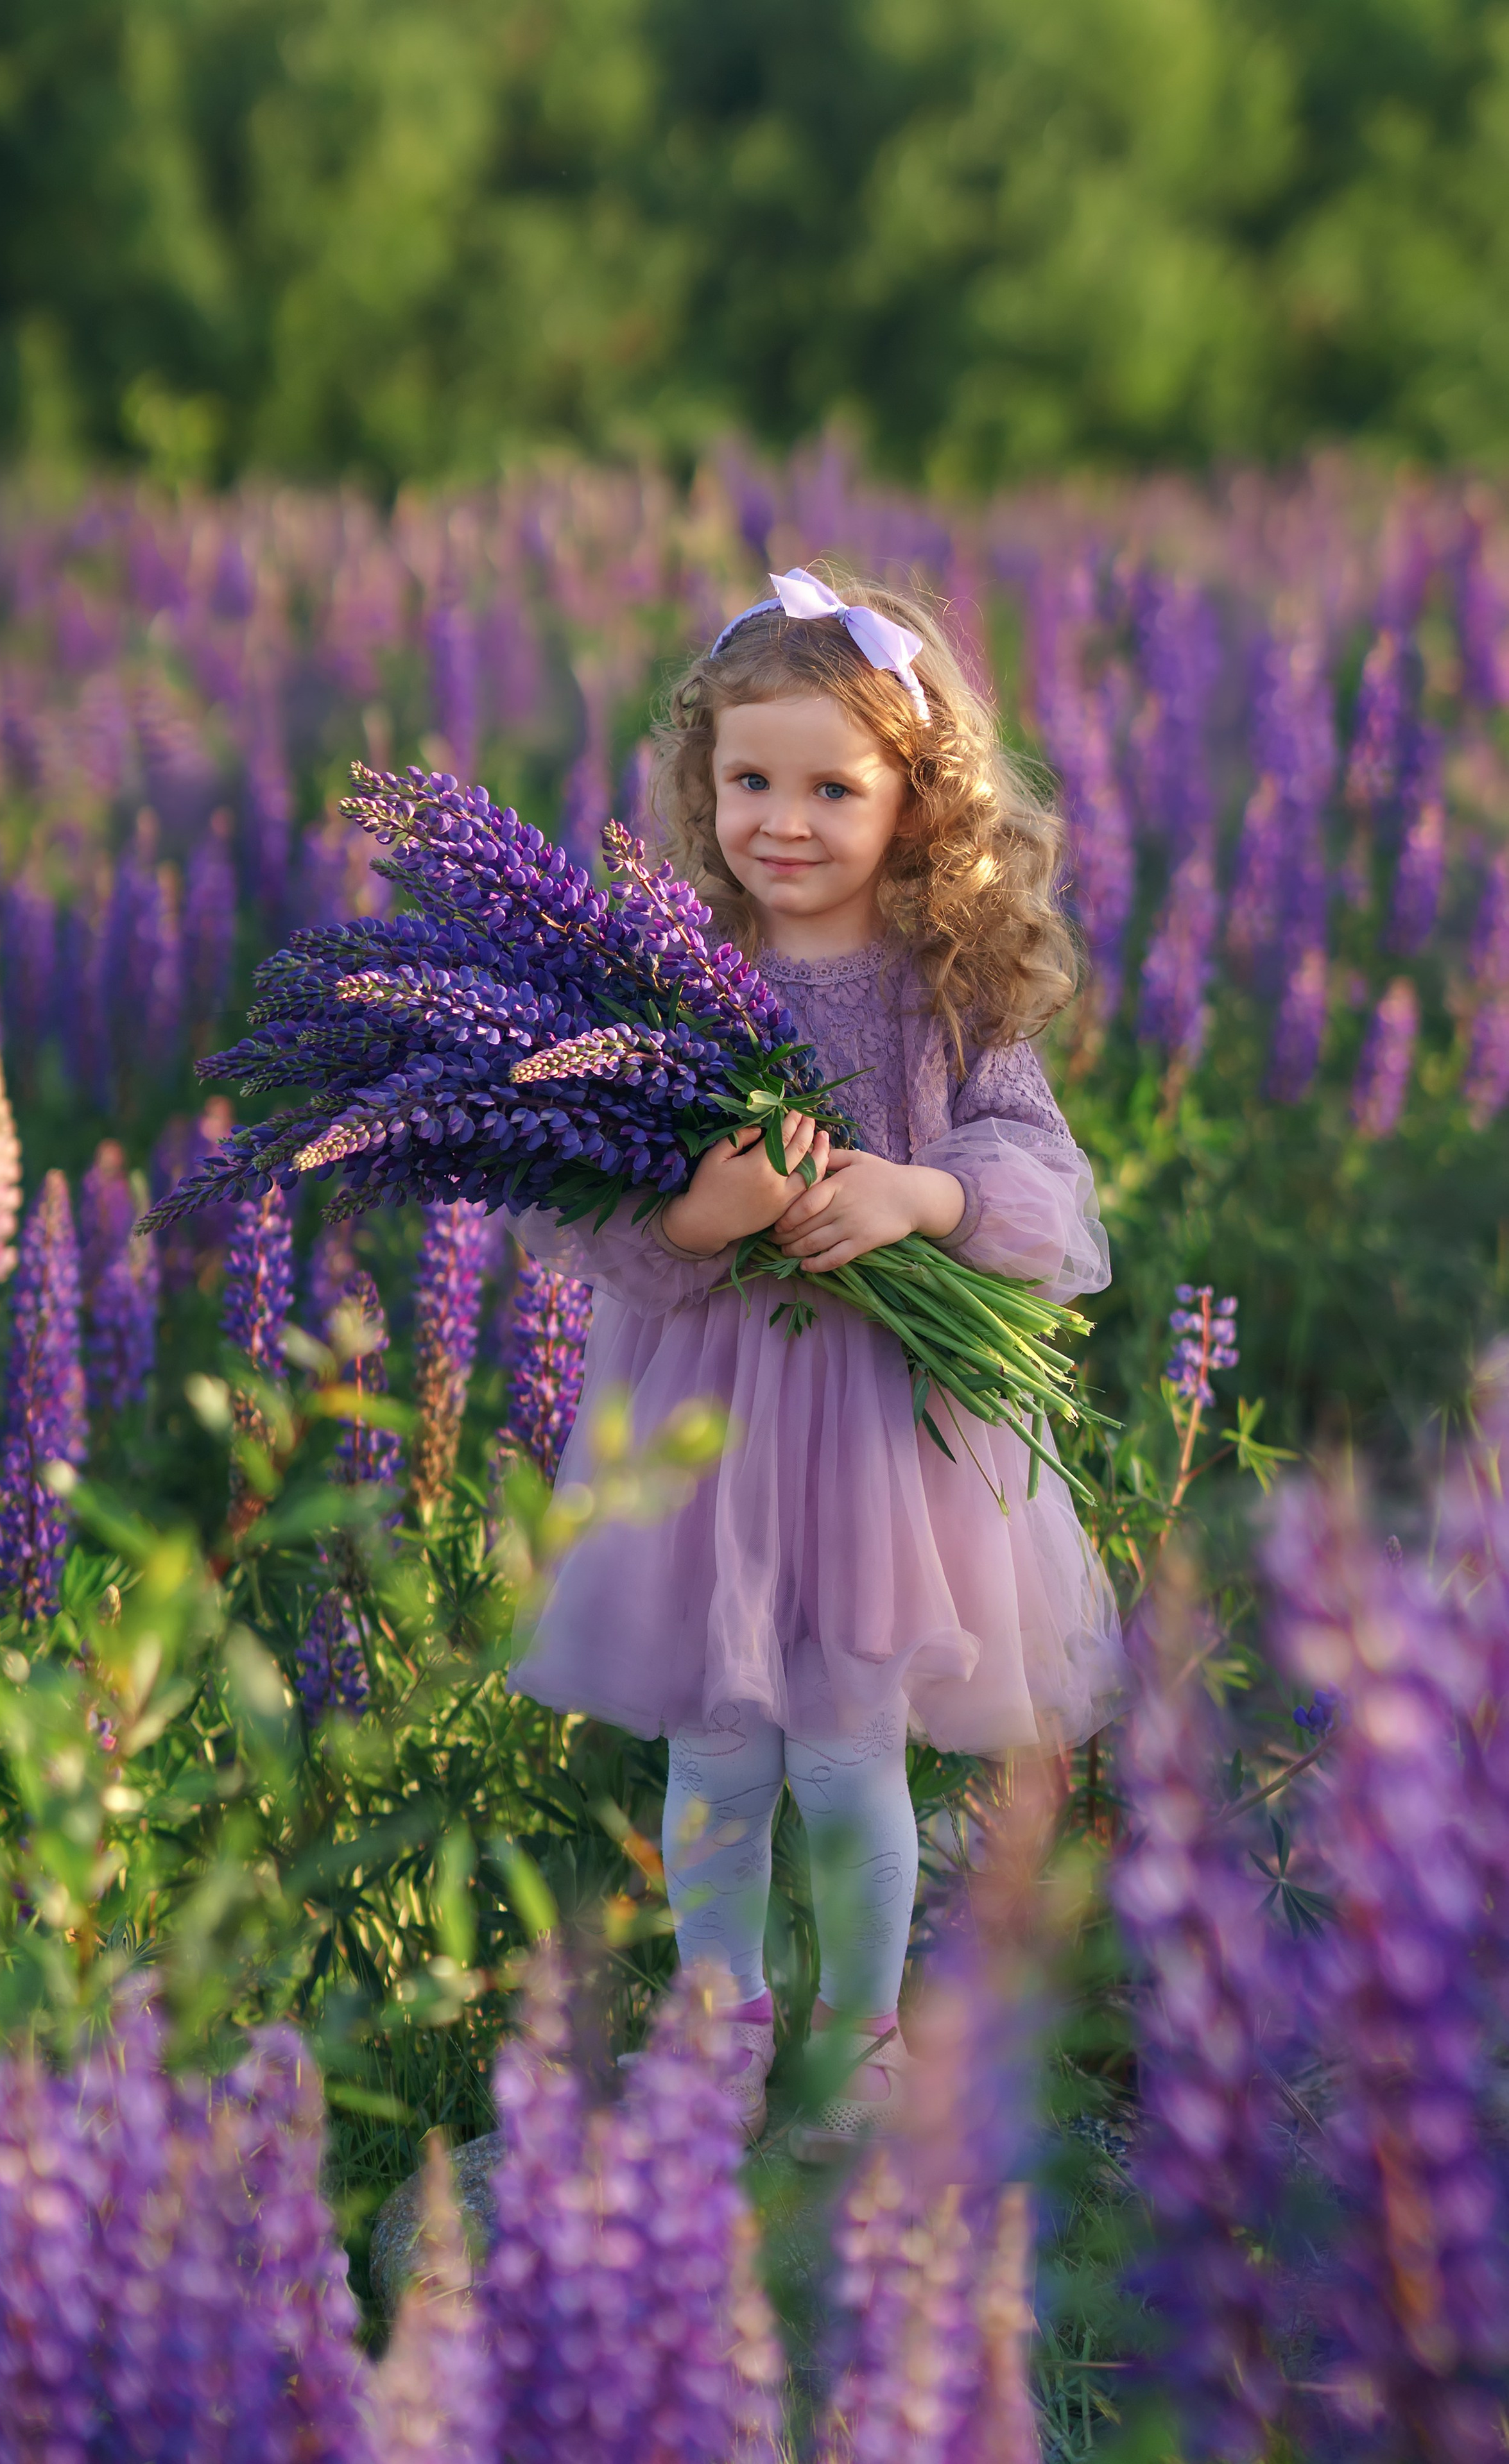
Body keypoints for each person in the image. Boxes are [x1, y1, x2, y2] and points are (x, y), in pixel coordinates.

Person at [510, 567, 1123, 2150]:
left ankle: (860, 2039)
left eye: (831, 788)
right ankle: (717, 2027)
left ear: (914, 799)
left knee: (848, 1758)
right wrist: (699, 1214)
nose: (782, 821)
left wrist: (921, 1196)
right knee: (717, 1755)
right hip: (704, 1420)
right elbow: (583, 1220)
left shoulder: (942, 992)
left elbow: (1039, 1178)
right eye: (749, 782)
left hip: (877, 1431)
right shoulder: (665, 982)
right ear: (702, 785)